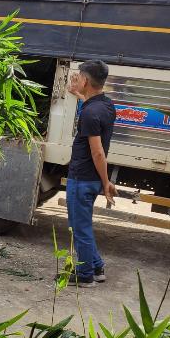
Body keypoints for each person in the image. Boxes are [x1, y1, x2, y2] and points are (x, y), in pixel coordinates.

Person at [64, 59, 117, 287]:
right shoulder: (106, 106)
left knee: (79, 228)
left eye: (78, 76)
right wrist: (78, 94)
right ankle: (96, 267)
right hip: (90, 179)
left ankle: (85, 275)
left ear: (85, 80)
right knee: (83, 225)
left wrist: (107, 184)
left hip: (82, 178)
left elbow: (97, 153)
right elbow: (90, 108)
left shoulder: (90, 113)